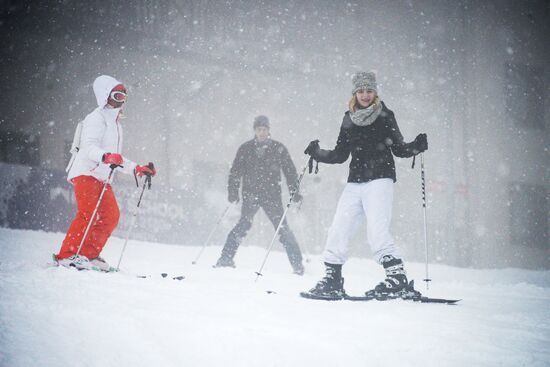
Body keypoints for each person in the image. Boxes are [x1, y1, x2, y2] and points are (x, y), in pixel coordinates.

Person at [301, 71, 428, 299]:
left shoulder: (385, 115)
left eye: (369, 91)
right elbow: (340, 155)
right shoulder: (348, 118)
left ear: (375, 92)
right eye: (361, 91)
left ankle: (397, 280)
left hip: (380, 179)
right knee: (338, 229)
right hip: (355, 182)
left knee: (377, 232)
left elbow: (398, 148)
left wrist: (415, 147)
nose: (365, 95)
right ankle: (332, 280)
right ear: (354, 93)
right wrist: (317, 153)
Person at [54, 75, 156, 271]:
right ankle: (67, 255)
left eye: (124, 96)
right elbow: (88, 147)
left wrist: (136, 168)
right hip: (86, 171)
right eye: (117, 95)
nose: (122, 101)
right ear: (105, 96)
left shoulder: (117, 125)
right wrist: (105, 156)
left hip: (102, 177)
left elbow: (116, 158)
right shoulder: (96, 118)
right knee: (88, 213)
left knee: (111, 216)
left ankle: (89, 255)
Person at [214, 115, 305, 275]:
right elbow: (235, 172)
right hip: (251, 194)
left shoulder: (279, 148)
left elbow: (290, 172)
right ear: (255, 131)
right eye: (259, 130)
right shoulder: (245, 148)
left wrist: (294, 192)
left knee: (282, 229)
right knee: (243, 225)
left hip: (272, 196)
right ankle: (226, 258)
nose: (262, 132)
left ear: (269, 130)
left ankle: (297, 265)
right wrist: (233, 191)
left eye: (264, 129)